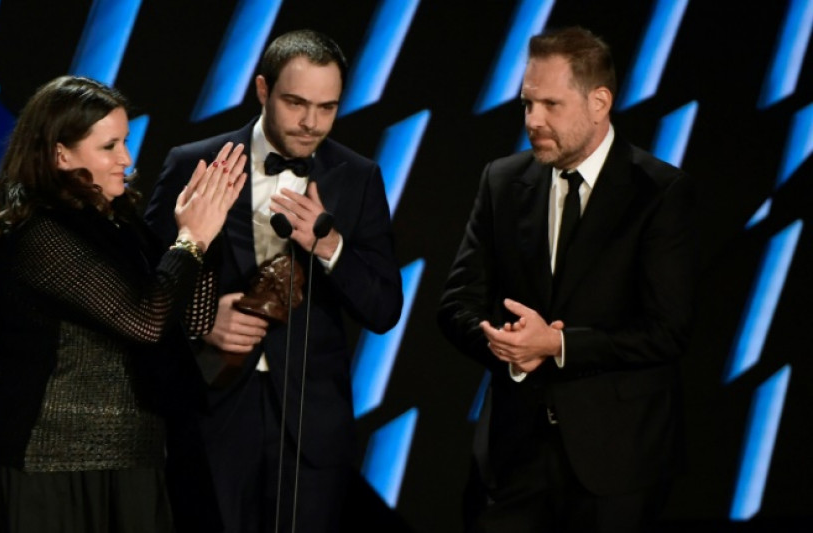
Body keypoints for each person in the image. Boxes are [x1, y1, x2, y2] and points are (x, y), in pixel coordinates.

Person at [0, 75, 247, 533]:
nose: (126, 160)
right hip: (48, 467)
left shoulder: (120, 223)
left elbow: (191, 321)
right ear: (61, 153)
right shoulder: (43, 235)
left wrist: (206, 236)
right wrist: (190, 240)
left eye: (125, 142)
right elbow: (143, 321)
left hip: (131, 461)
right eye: (109, 147)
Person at [438, 27, 696, 532]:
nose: (532, 121)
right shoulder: (502, 181)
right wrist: (504, 344)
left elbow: (667, 331)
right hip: (512, 462)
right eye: (527, 104)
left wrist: (557, 344)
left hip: (615, 465)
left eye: (550, 105)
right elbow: (456, 304)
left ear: (599, 102)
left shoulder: (659, 193)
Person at [145, 29, 403, 533]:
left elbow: (384, 308)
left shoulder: (358, 177)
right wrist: (201, 321)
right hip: (212, 410)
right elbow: (141, 290)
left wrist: (329, 247)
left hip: (312, 424)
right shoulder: (193, 163)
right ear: (262, 89)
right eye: (296, 103)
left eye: (327, 108)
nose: (311, 123)